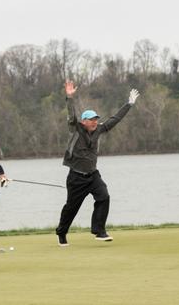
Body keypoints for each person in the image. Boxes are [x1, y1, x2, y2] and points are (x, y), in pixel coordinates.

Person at [56, 80, 139, 246]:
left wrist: (129, 104)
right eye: (91, 120)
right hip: (76, 178)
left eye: (96, 119)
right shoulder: (76, 128)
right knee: (71, 208)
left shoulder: (99, 129)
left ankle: (99, 231)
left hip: (93, 175)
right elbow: (71, 115)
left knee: (104, 197)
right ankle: (62, 232)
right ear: (84, 121)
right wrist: (69, 97)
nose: (95, 122)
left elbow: (114, 119)